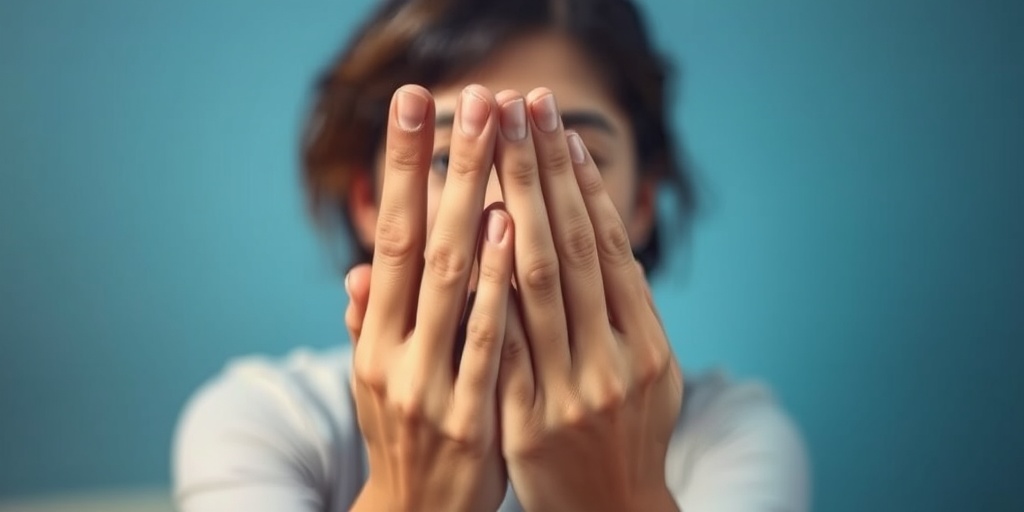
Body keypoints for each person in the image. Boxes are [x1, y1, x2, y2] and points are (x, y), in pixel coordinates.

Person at [172, 0, 809, 510]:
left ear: (641, 202)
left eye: (568, 153)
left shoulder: (729, 436)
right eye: (451, 159)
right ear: (369, 201)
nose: (510, 204)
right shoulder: (266, 423)